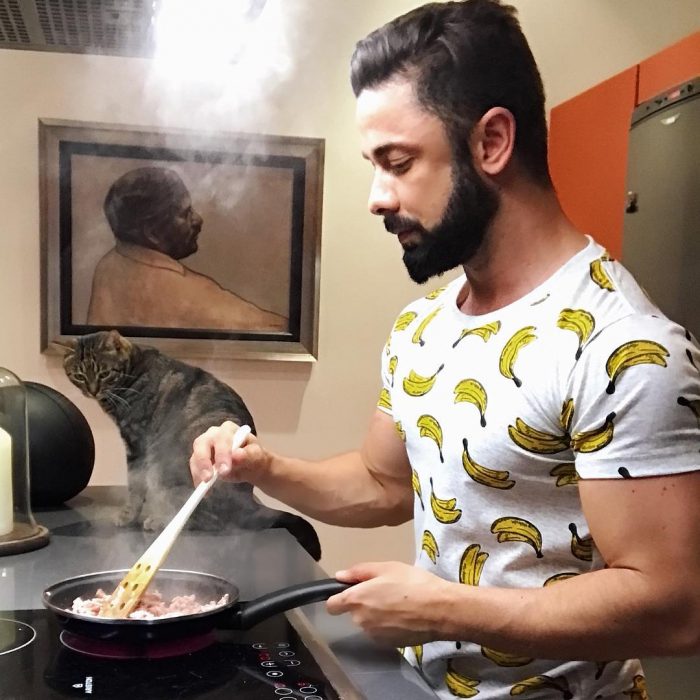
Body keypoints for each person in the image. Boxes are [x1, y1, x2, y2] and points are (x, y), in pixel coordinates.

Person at [190, 2, 700, 698]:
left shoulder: (623, 347)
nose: (376, 197)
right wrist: (264, 468)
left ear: (491, 141)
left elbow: (675, 609)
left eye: (397, 162)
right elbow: (384, 483)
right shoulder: (424, 325)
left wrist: (443, 609)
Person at [86, 166, 287, 332]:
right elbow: (278, 329)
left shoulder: (110, 263)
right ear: (152, 232)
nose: (198, 220)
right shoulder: (182, 292)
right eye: (185, 213)